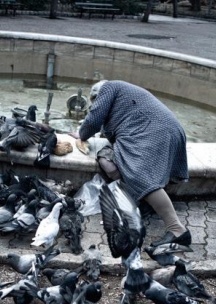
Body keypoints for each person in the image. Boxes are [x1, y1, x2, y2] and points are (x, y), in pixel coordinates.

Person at [71, 80, 191, 246]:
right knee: (130, 166)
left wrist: (82, 134)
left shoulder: (108, 87)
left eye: (95, 103)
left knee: (138, 174)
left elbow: (93, 120)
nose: (96, 105)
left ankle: (177, 230)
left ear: (97, 97)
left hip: (156, 132)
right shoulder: (124, 96)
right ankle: (144, 204)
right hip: (170, 129)